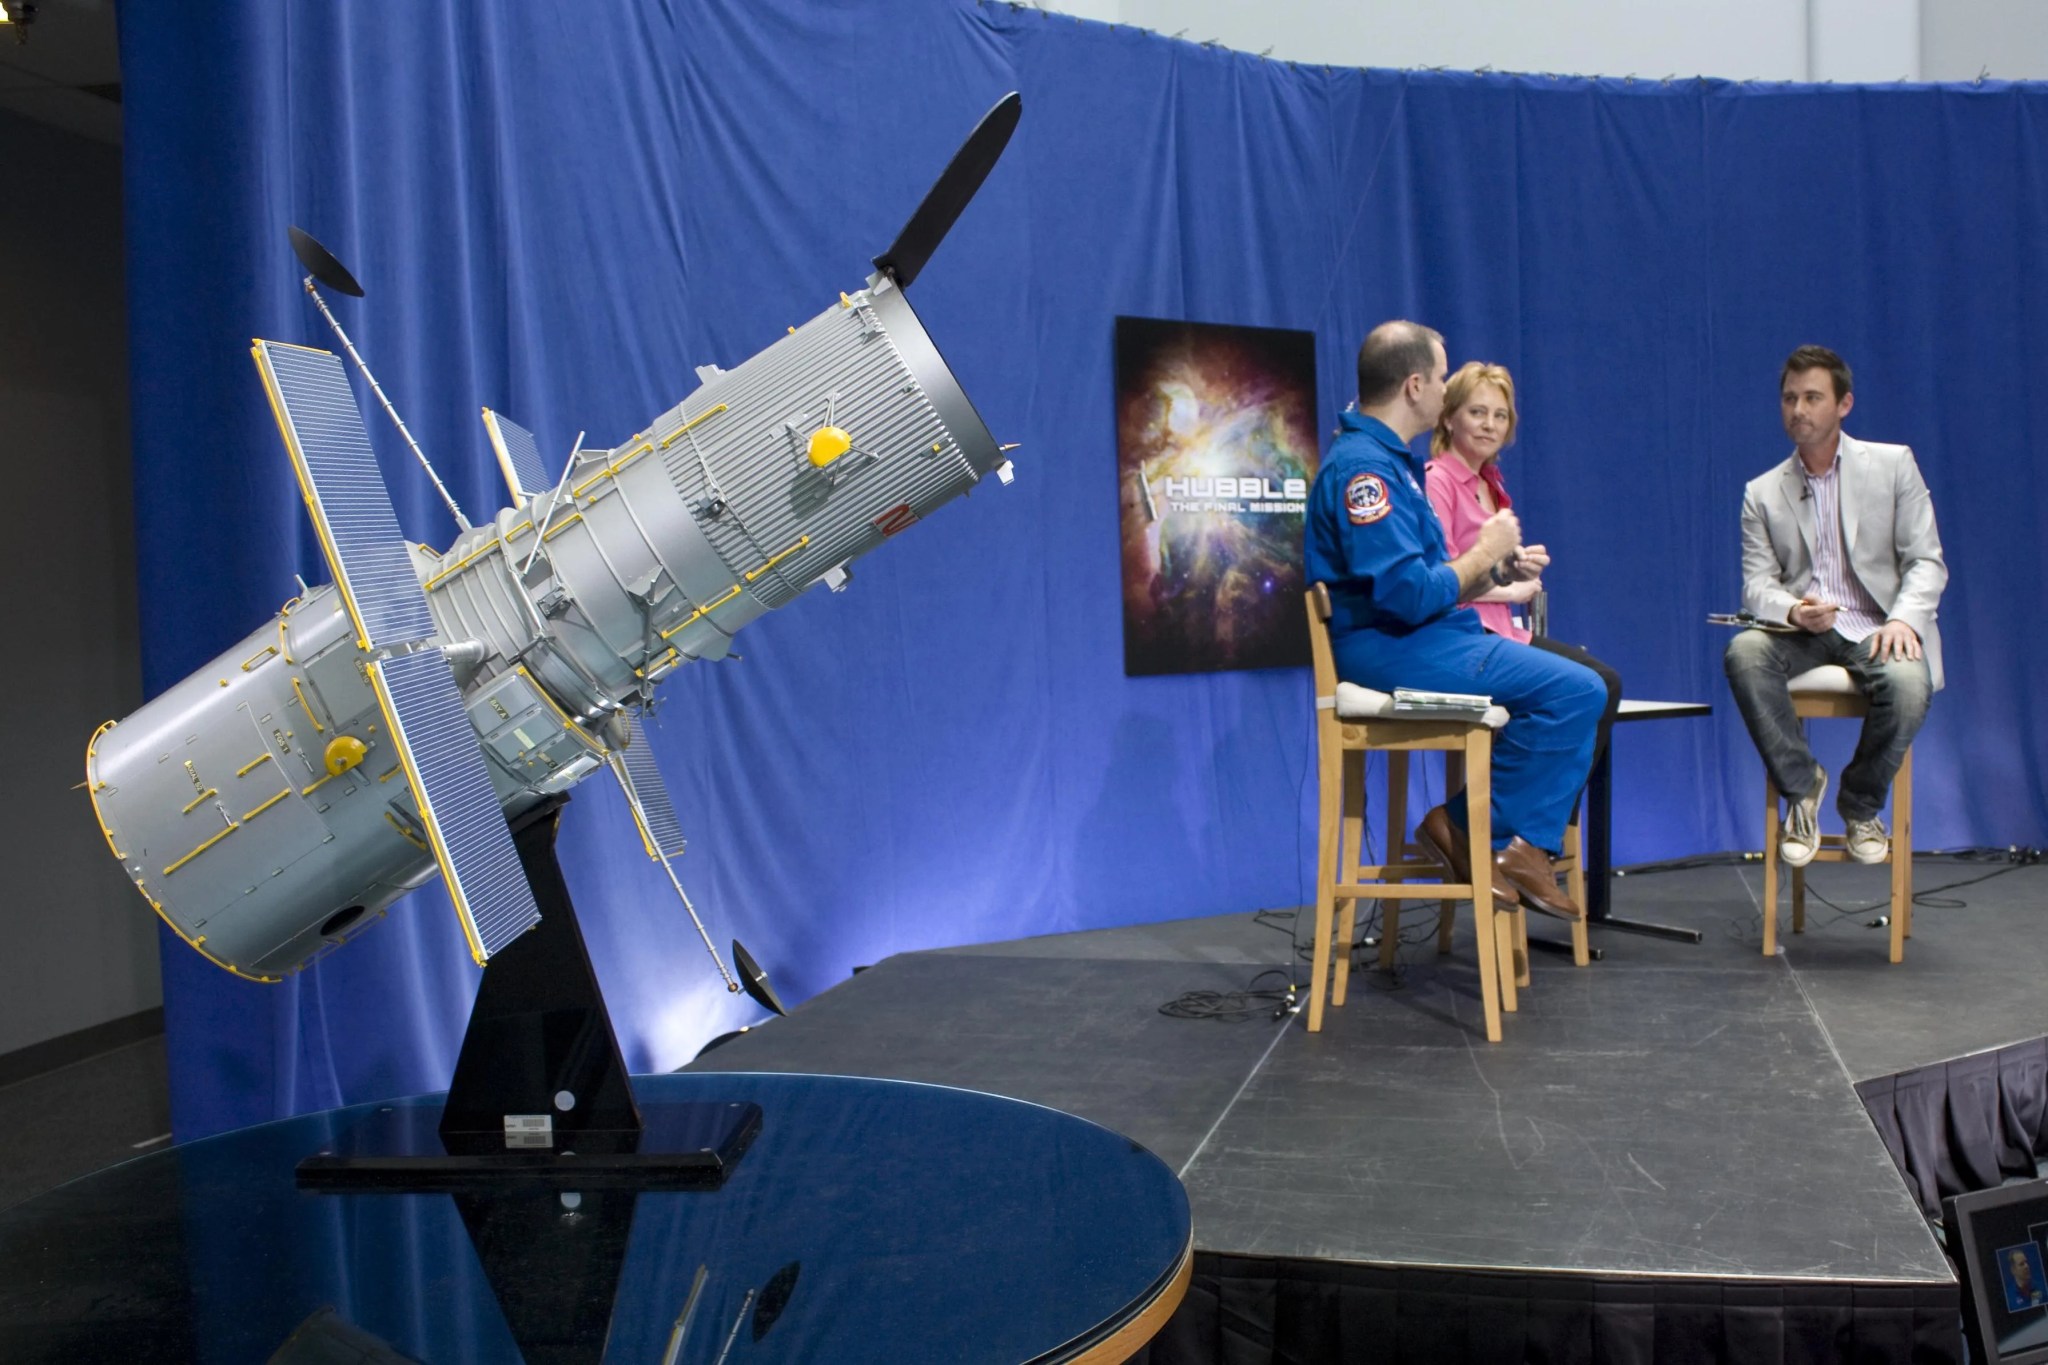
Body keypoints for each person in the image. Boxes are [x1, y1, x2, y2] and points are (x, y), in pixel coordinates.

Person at [1303, 320, 1607, 918]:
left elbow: (1432, 579)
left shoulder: (1390, 461)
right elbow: (1407, 596)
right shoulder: (1366, 473)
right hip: (1394, 647)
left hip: (1426, 635)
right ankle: (1477, 832)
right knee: (1578, 690)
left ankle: (1505, 843)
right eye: (1442, 379)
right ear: (1415, 385)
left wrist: (1492, 574)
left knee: (1580, 688)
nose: (1446, 391)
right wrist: (1484, 553)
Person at [1725, 345, 1945, 869]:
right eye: (1789, 398)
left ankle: (1861, 805)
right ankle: (1803, 789)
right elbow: (1756, 586)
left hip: (1877, 625)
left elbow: (1927, 562)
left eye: (1812, 397)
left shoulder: (1893, 465)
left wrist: (1901, 620)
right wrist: (1795, 609)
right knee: (1744, 653)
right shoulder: (1762, 492)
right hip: (1803, 631)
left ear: (1844, 404)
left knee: (1910, 686)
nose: (1798, 409)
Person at [1424, 361, 1623, 773]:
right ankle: (1501, 820)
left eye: (1500, 416)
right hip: (1466, 637)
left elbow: (1492, 567)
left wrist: (1522, 567)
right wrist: (1511, 588)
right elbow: (1442, 575)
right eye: (1477, 412)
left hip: (1505, 631)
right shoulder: (1437, 480)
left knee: (1604, 684)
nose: (1489, 425)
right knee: (1583, 689)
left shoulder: (1492, 485)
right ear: (1448, 417)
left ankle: (1544, 827)